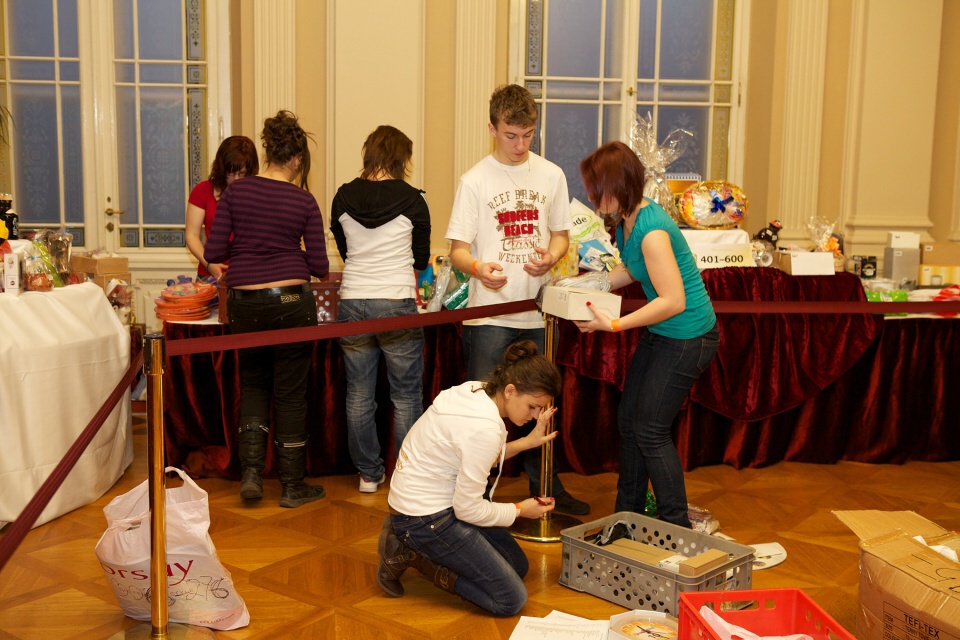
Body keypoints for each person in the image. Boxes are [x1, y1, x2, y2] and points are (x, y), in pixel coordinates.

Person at [444, 83, 589, 516]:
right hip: (488, 315)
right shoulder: (474, 180)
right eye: (511, 135)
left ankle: (545, 483)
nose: (520, 145)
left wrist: (552, 257)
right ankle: (473, 490)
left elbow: (561, 236)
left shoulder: (551, 174)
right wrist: (477, 268)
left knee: (540, 404)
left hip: (537, 313)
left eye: (527, 135)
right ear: (492, 129)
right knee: (483, 406)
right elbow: (457, 250)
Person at [574, 140, 720, 528]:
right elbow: (633, 270)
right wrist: (589, 284)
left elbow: (673, 300)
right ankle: (629, 518)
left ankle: (676, 529)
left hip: (689, 336)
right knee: (630, 422)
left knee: (650, 430)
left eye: (595, 188)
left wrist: (615, 324)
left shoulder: (651, 231)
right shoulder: (627, 219)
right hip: (665, 332)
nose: (591, 196)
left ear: (616, 185)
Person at [378, 341, 560, 616]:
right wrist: (520, 510)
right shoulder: (484, 429)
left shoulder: (476, 390)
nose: (535, 416)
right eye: (533, 407)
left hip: (428, 503)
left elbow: (473, 456)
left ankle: (412, 542)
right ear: (510, 390)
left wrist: (527, 442)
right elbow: (468, 509)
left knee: (518, 566)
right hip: (423, 519)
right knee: (510, 600)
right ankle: (412, 554)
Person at [204, 110, 329, 508]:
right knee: (290, 395)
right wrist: (289, 254)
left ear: (269, 152)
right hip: (291, 302)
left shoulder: (236, 193)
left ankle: (252, 476)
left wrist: (249, 249)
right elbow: (321, 266)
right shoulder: (304, 200)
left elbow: (214, 251)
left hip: (245, 304)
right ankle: (292, 486)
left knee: (254, 386)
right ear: (297, 159)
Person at [330, 125, 431, 493]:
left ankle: (369, 475)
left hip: (352, 299)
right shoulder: (413, 200)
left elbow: (344, 251)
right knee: (405, 395)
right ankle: (407, 477)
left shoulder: (342, 196)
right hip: (395, 300)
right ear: (402, 158)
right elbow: (421, 259)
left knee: (359, 393)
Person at [186, 135, 259, 280]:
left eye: (242, 173)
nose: (236, 179)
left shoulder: (258, 192)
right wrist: (209, 264)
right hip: (209, 272)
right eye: (231, 173)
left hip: (248, 274)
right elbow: (191, 235)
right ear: (222, 168)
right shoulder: (203, 190)